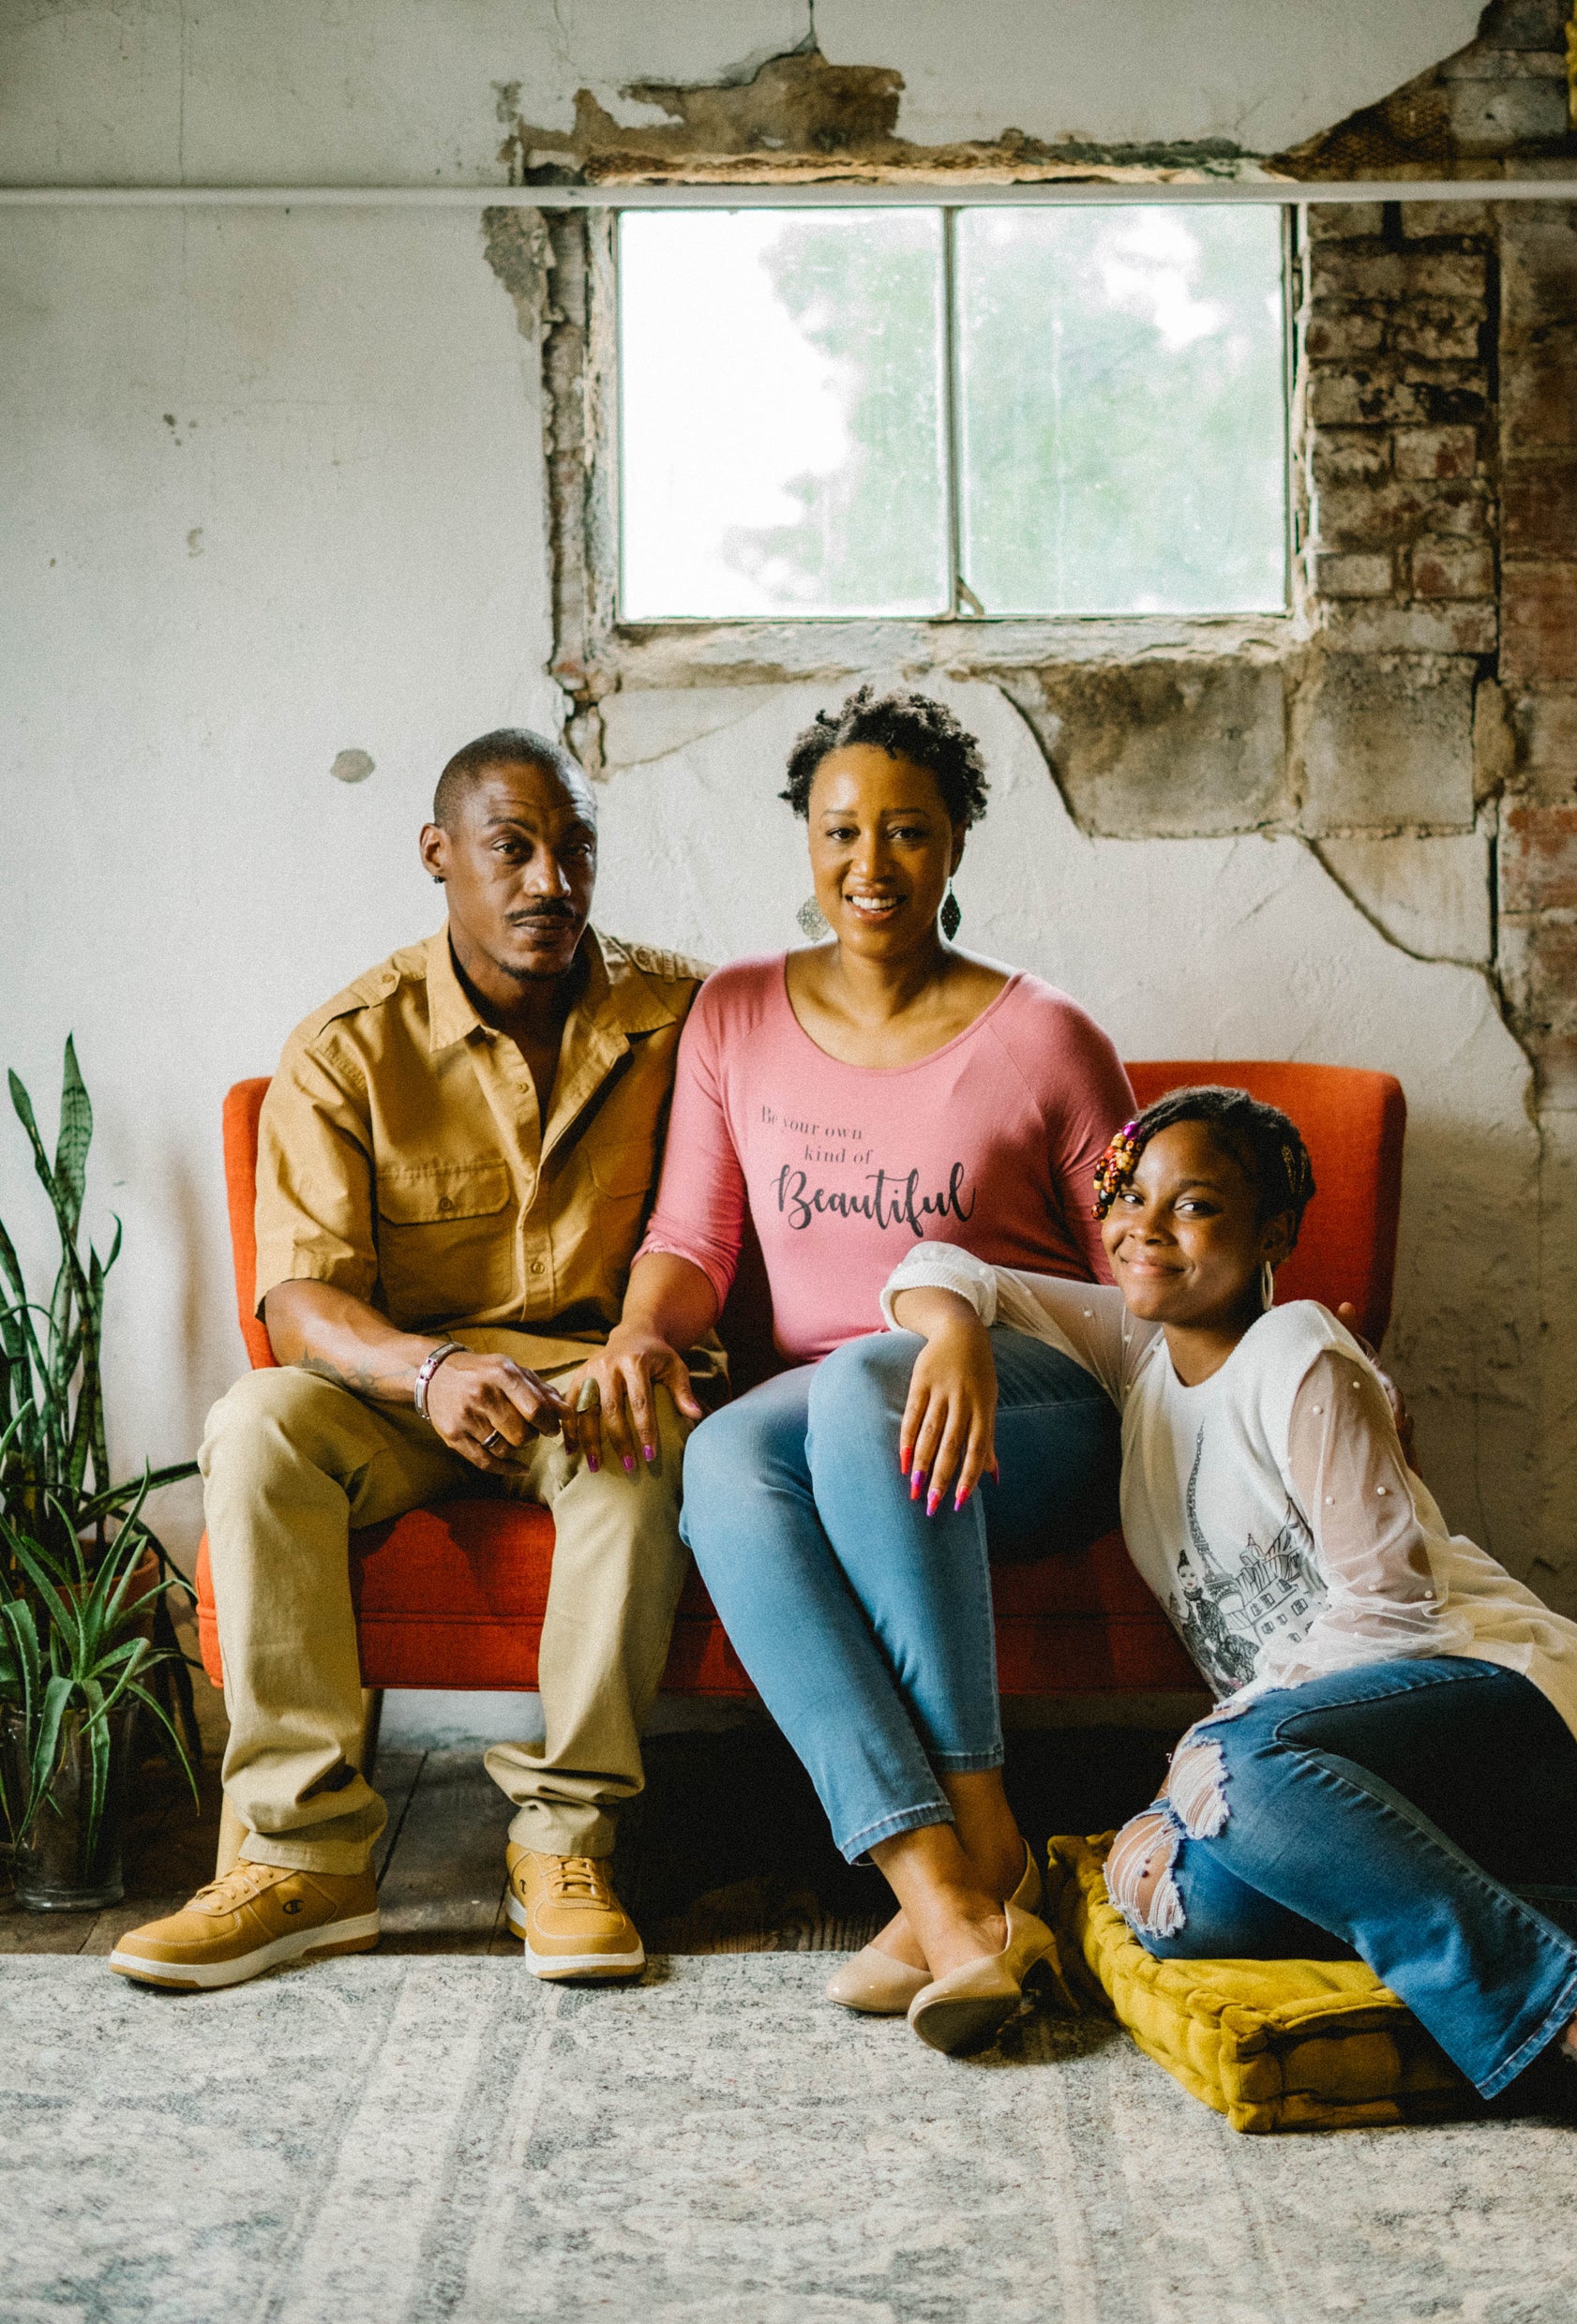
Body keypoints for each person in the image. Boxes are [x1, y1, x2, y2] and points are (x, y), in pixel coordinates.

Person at [881, 1086, 1577, 2176]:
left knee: (1227, 1777)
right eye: (1129, 1198)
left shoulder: (1296, 1349)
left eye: (1194, 1207)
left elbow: (1389, 1606)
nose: (1144, 1228)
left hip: (1505, 1703)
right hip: (1332, 1772)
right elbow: (937, 1266)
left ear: (1273, 1231)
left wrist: (1201, 1760)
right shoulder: (1132, 1349)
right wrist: (953, 1334)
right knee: (1182, 1905)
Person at [112, 729, 714, 1991]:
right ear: (438, 855)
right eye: (512, 847)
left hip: (585, 1385)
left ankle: (564, 1844)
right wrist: (428, 1372)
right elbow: (299, 1295)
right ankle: (301, 1859)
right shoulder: (347, 1044)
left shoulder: (680, 1018)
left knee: (634, 1443)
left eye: (575, 847)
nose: (550, 878)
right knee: (259, 1419)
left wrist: (636, 1354)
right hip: (401, 1390)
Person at [610, 684, 1135, 2053]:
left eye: (908, 831)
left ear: (955, 843)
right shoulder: (733, 1015)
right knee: (723, 1451)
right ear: (805, 841)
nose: (871, 863)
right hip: (840, 1416)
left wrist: (962, 1309)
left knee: (856, 1390)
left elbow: (1147, 1287)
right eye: (842, 830)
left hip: (1035, 1411)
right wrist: (639, 1332)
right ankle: (948, 1895)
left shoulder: (1047, 1036)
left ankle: (978, 1811)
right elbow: (691, 1235)